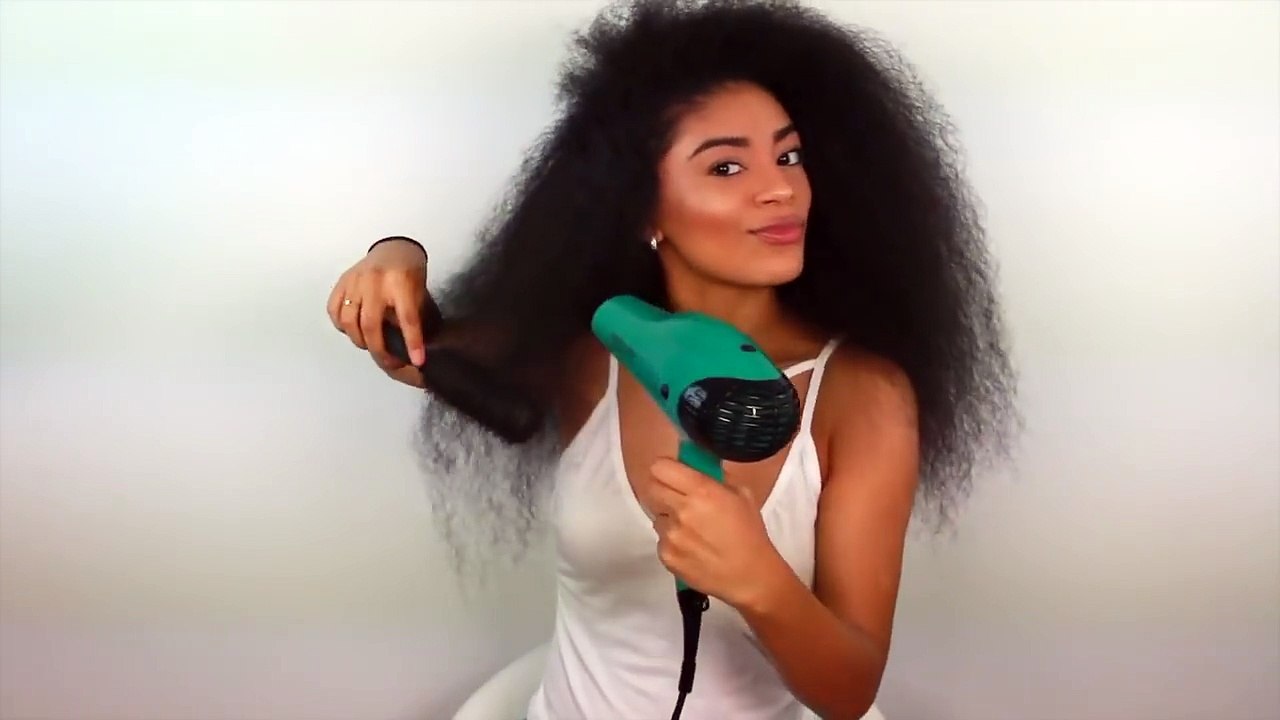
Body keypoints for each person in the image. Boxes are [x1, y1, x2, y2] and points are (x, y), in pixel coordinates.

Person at [327, 1, 1018, 718]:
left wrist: (760, 581)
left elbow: (848, 691)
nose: (781, 188)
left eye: (789, 156)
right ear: (642, 209)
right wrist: (394, 255)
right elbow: (416, 345)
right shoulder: (591, 354)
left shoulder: (861, 394)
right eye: (726, 166)